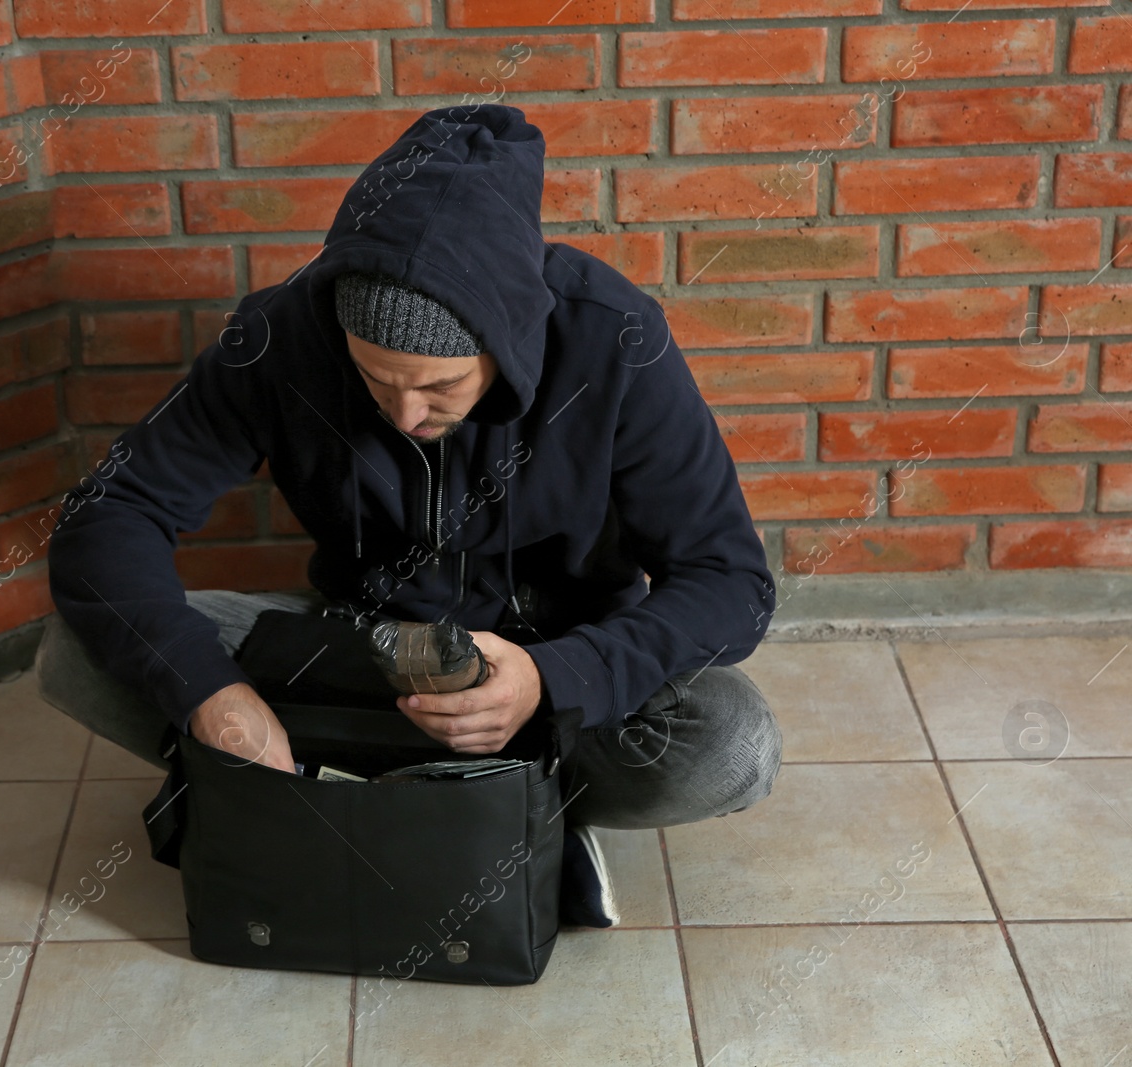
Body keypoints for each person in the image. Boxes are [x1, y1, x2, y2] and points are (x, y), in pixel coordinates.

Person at [38, 103, 782, 928]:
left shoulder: (614, 341)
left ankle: (480, 795)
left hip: (556, 679)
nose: (403, 414)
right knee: (74, 651)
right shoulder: (279, 337)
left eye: (439, 388)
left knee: (732, 743)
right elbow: (108, 517)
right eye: (375, 380)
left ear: (504, 343)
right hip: (364, 654)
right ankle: (469, 804)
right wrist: (209, 692)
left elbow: (732, 583)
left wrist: (555, 679)